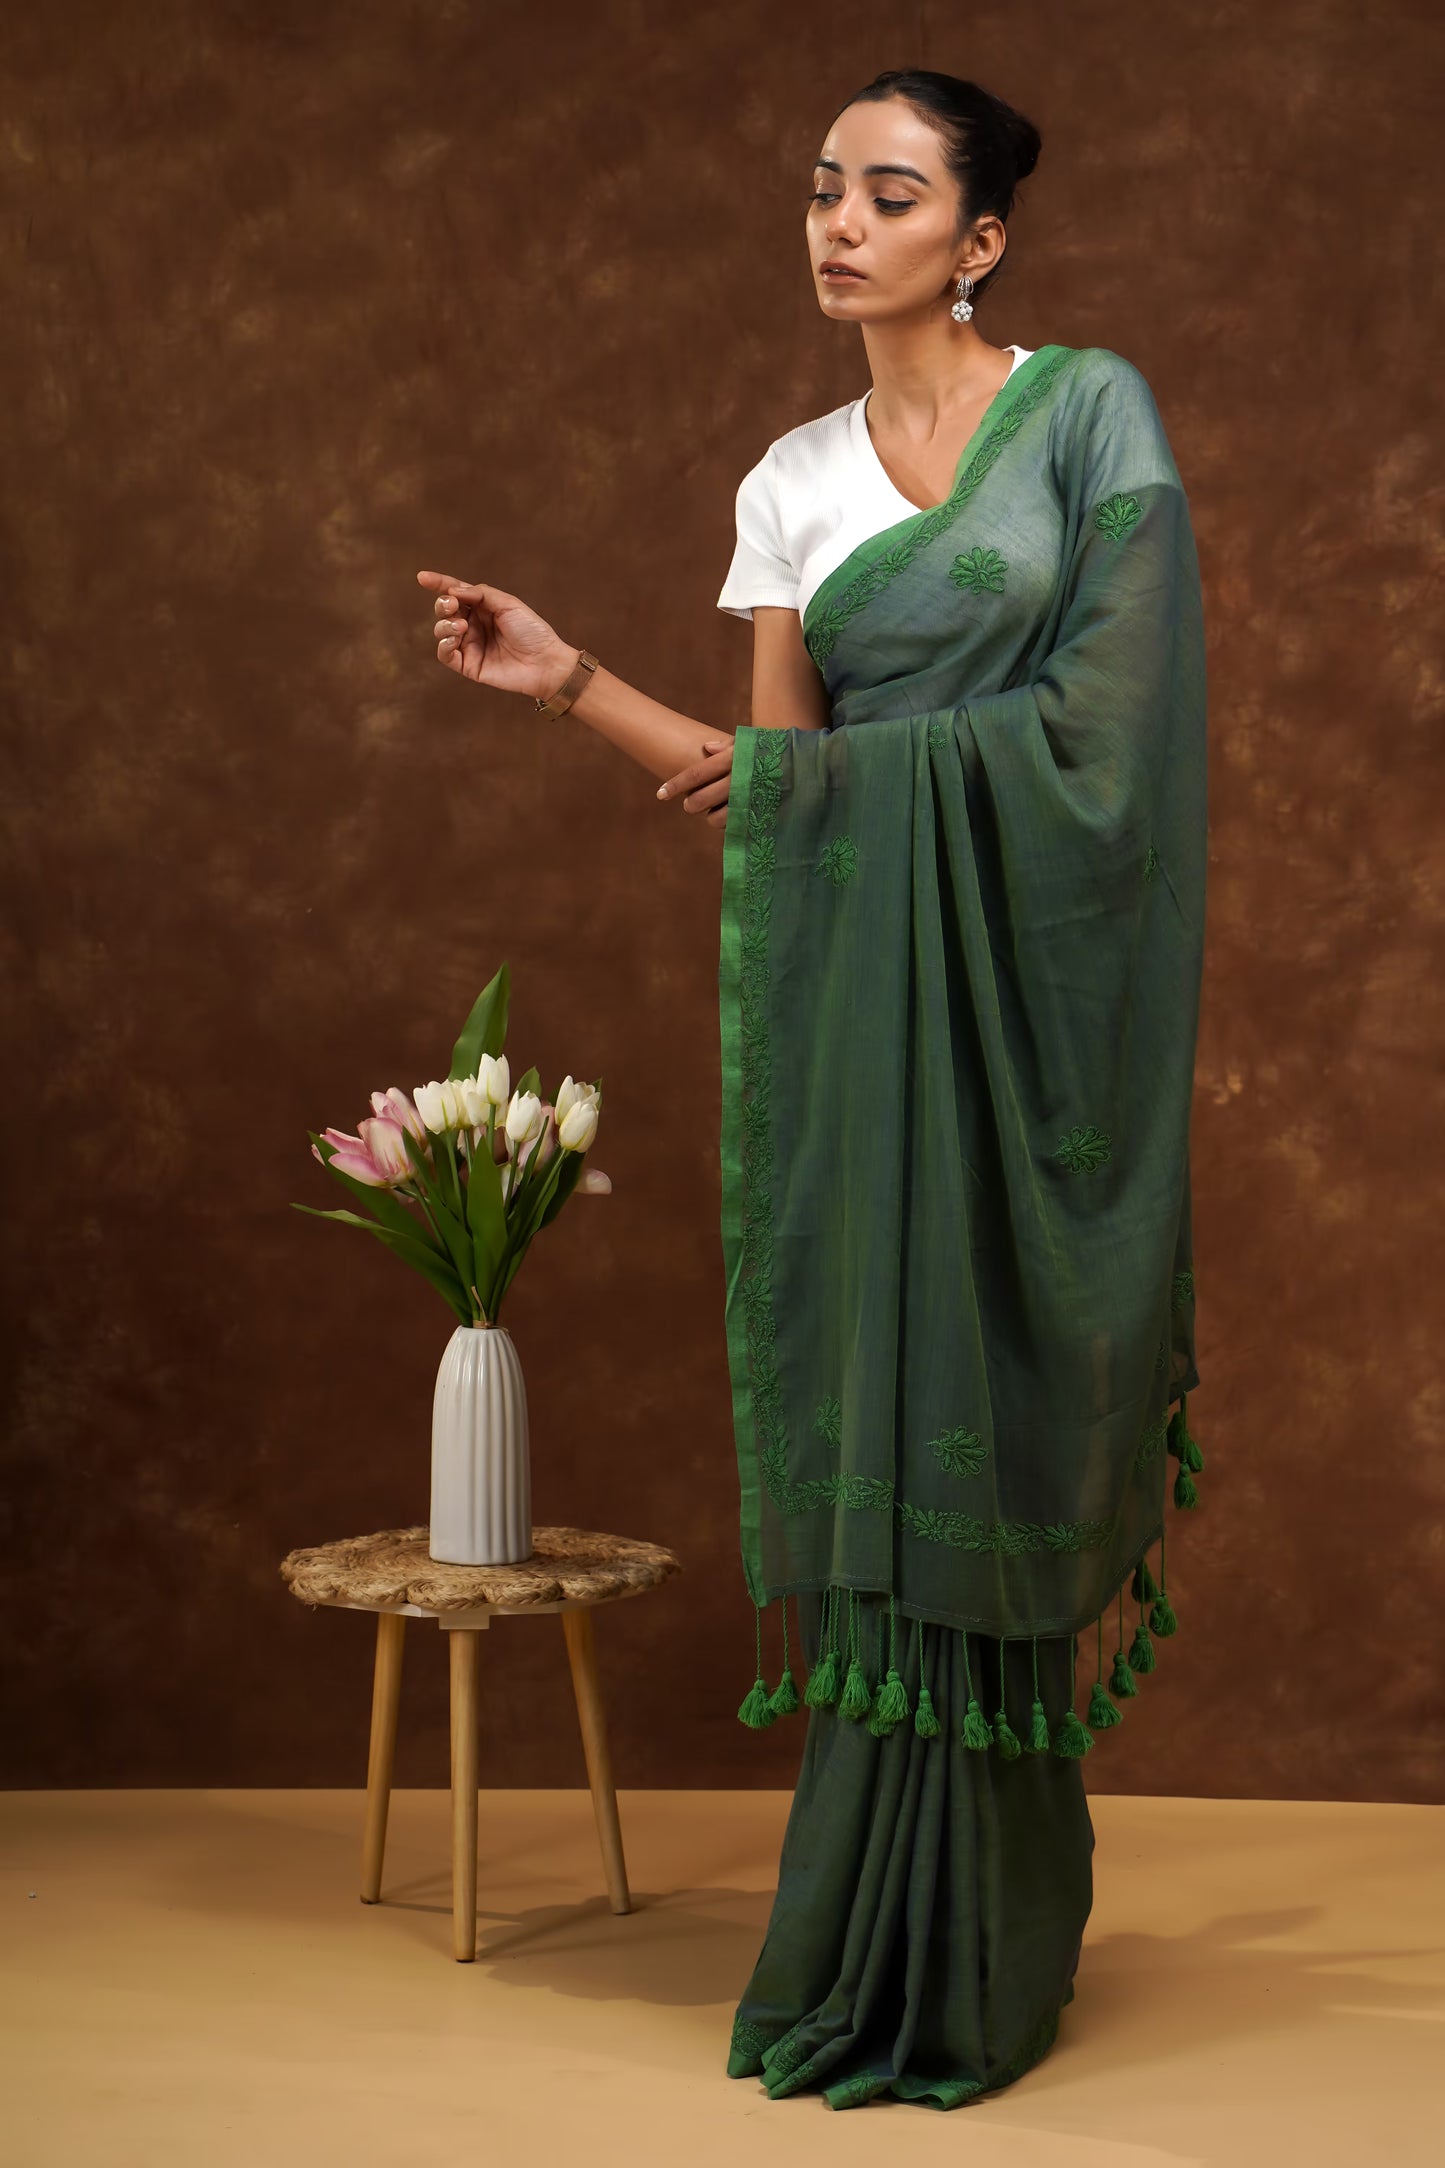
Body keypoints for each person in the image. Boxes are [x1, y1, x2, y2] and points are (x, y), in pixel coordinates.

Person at [417, 66, 1208, 2113]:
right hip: (861, 1025)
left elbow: (1119, 729)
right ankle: (872, 1934)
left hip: (1032, 1013)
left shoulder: (1092, 413)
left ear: (983, 233)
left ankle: (1002, 1925)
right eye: (823, 190)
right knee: (895, 1399)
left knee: (1008, 1405)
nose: (838, 222)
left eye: (889, 190)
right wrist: (570, 676)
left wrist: (890, 776)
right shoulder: (789, 481)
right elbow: (776, 803)